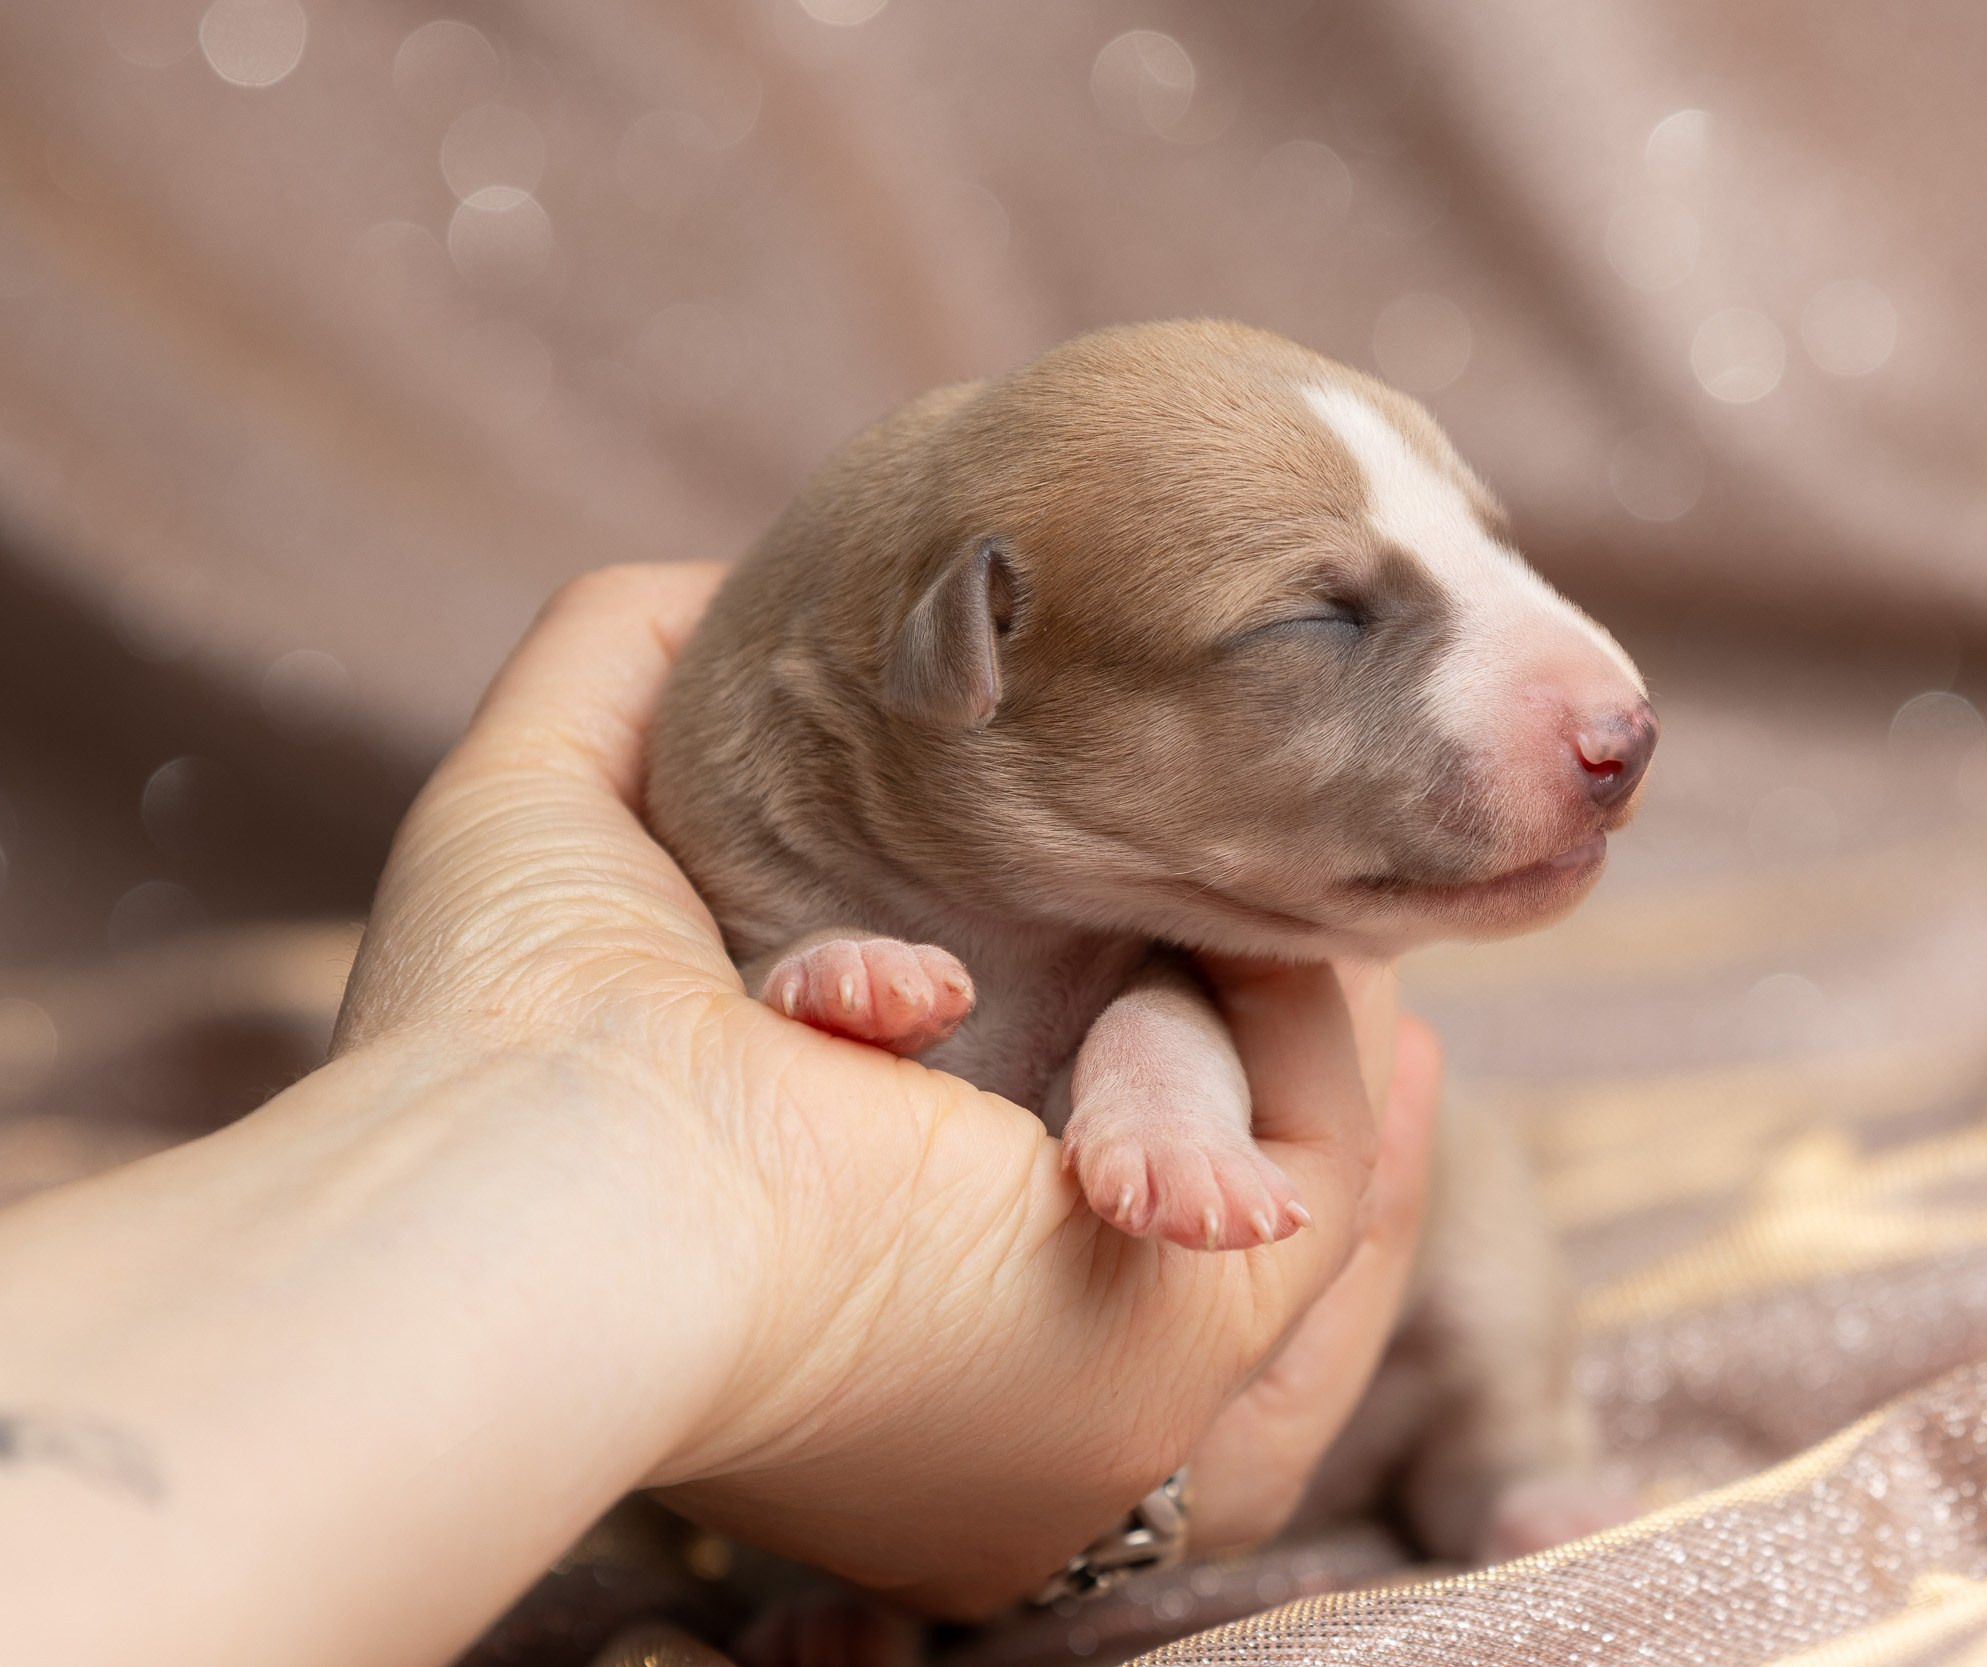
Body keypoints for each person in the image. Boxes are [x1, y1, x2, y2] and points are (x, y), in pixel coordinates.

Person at [0, 563, 1441, 1665]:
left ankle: (1517, 1452)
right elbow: (756, 1021)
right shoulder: (835, 777)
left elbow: (1149, 1023)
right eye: (1321, 621)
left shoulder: (1138, 910)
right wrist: (655, 1127)